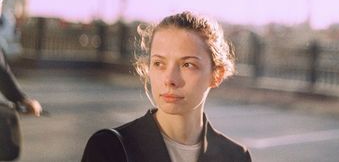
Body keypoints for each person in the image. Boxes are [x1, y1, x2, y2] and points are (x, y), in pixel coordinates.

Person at [82, 11, 252, 162]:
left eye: (188, 65)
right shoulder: (110, 148)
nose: (170, 79)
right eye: (159, 63)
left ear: (217, 75)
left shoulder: (236, 156)